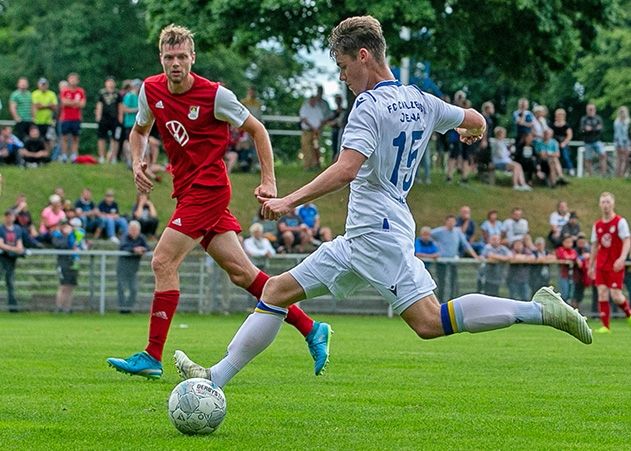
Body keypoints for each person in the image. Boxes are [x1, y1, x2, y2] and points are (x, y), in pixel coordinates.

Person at [173, 16, 591, 389]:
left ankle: (537, 309)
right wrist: (471, 132)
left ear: (363, 55)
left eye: (342, 67)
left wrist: (290, 201)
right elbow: (476, 120)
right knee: (279, 291)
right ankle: (216, 377)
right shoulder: (422, 100)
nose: (342, 77)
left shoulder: (368, 108)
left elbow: (346, 169)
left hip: (377, 233)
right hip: (365, 233)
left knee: (428, 322)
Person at [106, 24, 329, 380]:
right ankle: (311, 328)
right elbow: (138, 131)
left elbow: (258, 130)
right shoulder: (151, 90)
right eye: (169, 57)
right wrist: (137, 160)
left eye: (182, 57)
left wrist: (268, 180)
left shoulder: (215, 95)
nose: (175, 63)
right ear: (160, 59)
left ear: (192, 58)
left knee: (163, 260)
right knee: (242, 274)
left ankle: (152, 354)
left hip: (209, 190)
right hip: (186, 191)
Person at [588, 192, 631, 333]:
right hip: (601, 264)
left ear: (613, 203)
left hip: (615, 263)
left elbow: (627, 240)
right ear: (600, 205)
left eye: (608, 202)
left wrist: (622, 257)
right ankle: (605, 326)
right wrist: (591, 265)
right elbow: (594, 246)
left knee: (616, 295)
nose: (606, 205)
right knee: (602, 293)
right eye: (603, 202)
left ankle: (629, 314)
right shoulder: (597, 225)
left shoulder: (620, 222)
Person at [432, 215, 479, 303]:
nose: (451, 224)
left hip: (453, 261)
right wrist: (434, 250)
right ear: (446, 222)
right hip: (442, 261)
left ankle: (452, 300)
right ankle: (440, 301)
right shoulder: (439, 231)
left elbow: (465, 244)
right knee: (442, 282)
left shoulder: (457, 232)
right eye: (449, 221)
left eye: (453, 222)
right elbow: (427, 236)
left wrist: (475, 255)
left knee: (453, 282)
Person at [117, 220, 150, 313]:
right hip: (122, 268)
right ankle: (122, 309)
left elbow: (147, 247)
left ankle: (128, 308)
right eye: (132, 229)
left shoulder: (141, 238)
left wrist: (142, 249)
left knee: (134, 289)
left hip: (134, 269)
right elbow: (123, 246)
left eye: (135, 230)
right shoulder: (125, 237)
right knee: (122, 288)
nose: (133, 231)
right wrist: (134, 249)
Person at [490, 126, 531, 191]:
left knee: (518, 165)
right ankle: (515, 185)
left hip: (504, 161)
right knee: (515, 167)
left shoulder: (501, 143)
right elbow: (501, 155)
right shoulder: (497, 143)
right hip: (499, 162)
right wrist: (509, 151)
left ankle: (523, 184)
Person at [51, 220, 79, 313]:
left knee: (71, 285)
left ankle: (67, 307)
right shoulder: (57, 236)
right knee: (63, 286)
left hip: (73, 262)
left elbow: (79, 245)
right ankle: (59, 307)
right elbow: (60, 245)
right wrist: (67, 236)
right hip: (63, 263)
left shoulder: (74, 236)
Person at [0, 209, 24, 312]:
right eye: (8, 216)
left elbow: (19, 242)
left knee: (10, 281)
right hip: (2, 257)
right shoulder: (1, 229)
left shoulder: (17, 229)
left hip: (11, 258)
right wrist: (14, 249)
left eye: (11, 216)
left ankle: (12, 306)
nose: (10, 218)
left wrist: (19, 249)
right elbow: (0, 244)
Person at [59, 73, 86, 163]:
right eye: (71, 79)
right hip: (66, 118)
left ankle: (74, 155)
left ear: (78, 81)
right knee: (65, 137)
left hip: (76, 118)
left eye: (75, 79)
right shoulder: (64, 91)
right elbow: (64, 102)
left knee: (75, 137)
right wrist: (75, 103)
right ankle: (64, 155)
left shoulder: (80, 91)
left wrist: (71, 103)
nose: (73, 81)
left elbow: (82, 104)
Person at [95, 77, 122, 164]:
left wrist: (120, 117)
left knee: (115, 138)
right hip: (104, 118)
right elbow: (99, 104)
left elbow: (120, 106)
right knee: (101, 138)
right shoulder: (102, 93)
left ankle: (113, 157)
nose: (110, 84)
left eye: (112, 82)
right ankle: (102, 156)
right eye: (108, 82)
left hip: (115, 119)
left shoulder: (118, 94)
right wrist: (98, 116)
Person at [31, 78, 58, 153]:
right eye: (42, 84)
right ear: (38, 85)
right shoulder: (35, 93)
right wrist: (49, 105)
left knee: (49, 139)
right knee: (38, 138)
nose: (43, 86)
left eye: (45, 84)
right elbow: (37, 106)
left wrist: (42, 105)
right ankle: (39, 153)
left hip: (49, 121)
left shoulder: (51, 94)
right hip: (38, 120)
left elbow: (54, 106)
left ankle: (48, 155)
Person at [299, 95, 325, 170]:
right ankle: (307, 165)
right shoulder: (305, 107)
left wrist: (317, 128)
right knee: (306, 147)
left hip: (316, 132)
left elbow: (321, 119)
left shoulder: (317, 109)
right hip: (307, 131)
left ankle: (316, 164)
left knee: (316, 147)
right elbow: (304, 119)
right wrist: (313, 127)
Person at [580, 103, 605, 176]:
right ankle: (590, 175)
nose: (591, 111)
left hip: (597, 141)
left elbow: (601, 129)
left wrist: (592, 129)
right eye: (589, 109)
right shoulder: (584, 119)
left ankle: (603, 174)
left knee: (603, 155)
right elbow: (581, 130)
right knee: (588, 159)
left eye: (592, 109)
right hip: (587, 142)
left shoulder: (598, 118)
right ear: (587, 110)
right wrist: (585, 129)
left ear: (595, 110)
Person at [550, 108, 574, 176]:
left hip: (563, 143)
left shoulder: (566, 125)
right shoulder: (552, 125)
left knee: (566, 156)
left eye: (561, 115)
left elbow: (569, 135)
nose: (559, 117)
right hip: (554, 143)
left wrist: (564, 143)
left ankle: (570, 169)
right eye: (558, 115)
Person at [555, 234, 578, 303]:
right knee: (564, 293)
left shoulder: (573, 251)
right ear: (563, 242)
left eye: (570, 242)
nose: (569, 244)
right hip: (563, 275)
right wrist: (570, 259)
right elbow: (563, 256)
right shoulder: (560, 250)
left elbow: (574, 257)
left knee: (570, 293)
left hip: (572, 275)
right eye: (567, 242)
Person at [613, 106, 629, 178]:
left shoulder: (628, 121)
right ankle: (618, 176)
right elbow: (618, 135)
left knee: (625, 159)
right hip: (619, 144)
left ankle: (623, 175)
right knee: (619, 159)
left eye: (624, 111)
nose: (622, 113)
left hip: (627, 143)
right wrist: (621, 145)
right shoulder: (617, 122)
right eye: (621, 111)